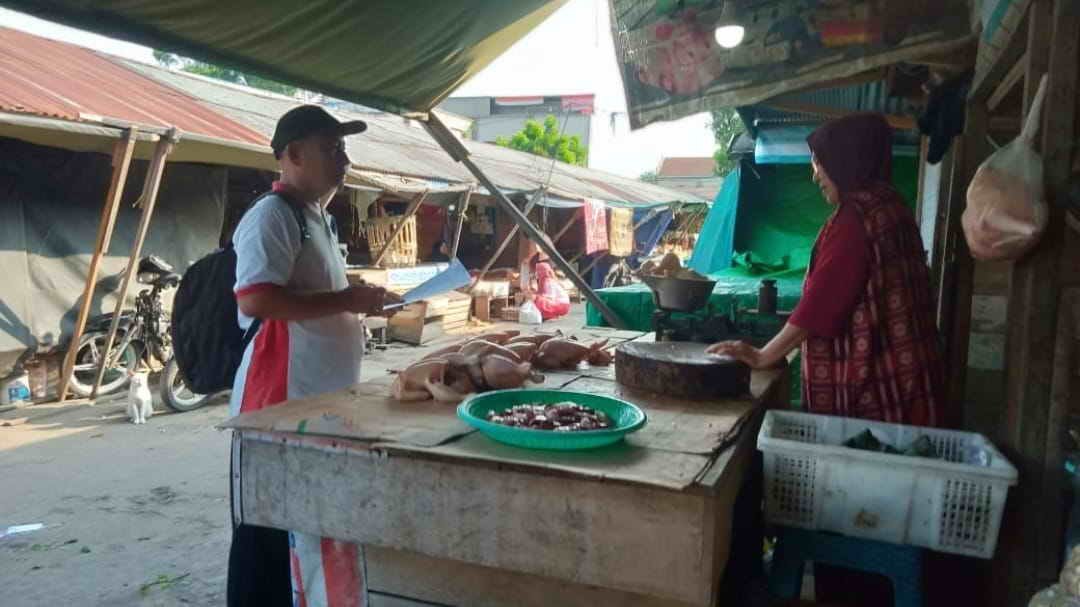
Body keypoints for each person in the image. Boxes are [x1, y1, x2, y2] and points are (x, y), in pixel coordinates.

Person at [707, 113, 946, 605]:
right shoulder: (891, 205)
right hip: (908, 386)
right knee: (891, 518)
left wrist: (763, 354)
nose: (815, 174)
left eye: (819, 163)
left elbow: (822, 303)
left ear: (846, 162)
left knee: (858, 514)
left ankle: (852, 587)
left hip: (874, 392)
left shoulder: (856, 217)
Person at [227, 105, 401, 607]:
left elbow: (317, 295)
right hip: (280, 397)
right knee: (270, 527)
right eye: (332, 148)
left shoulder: (315, 217)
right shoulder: (272, 216)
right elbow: (255, 300)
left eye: (343, 149)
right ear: (294, 155)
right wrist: (347, 300)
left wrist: (356, 296)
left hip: (316, 396)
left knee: (303, 523)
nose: (343, 159)